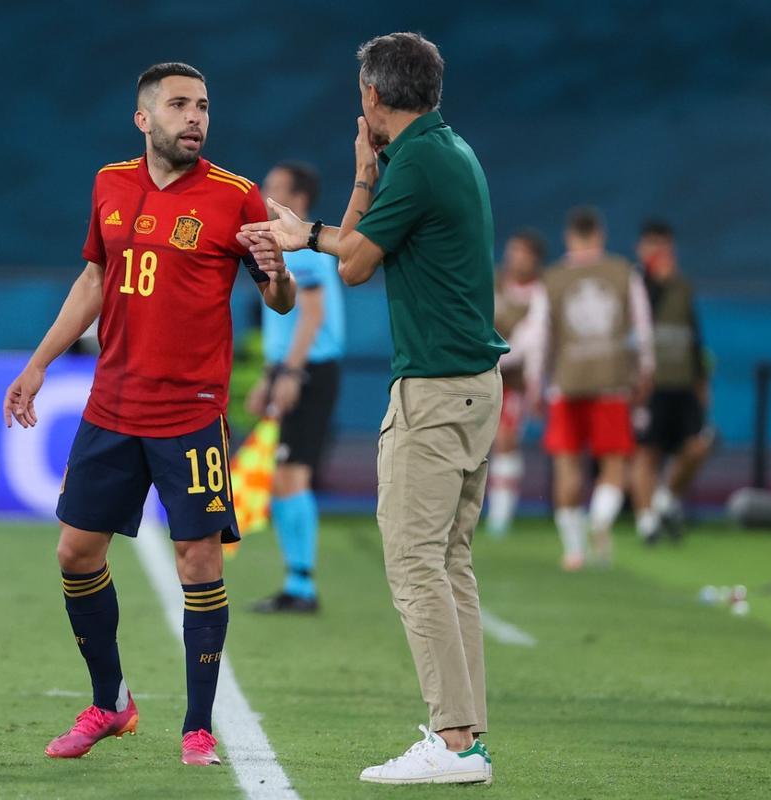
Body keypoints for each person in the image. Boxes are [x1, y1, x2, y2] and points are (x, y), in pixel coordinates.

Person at [3, 62, 295, 768]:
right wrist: (40, 362)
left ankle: (198, 727)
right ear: (144, 118)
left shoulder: (236, 196)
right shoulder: (110, 183)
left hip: (191, 412)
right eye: (178, 105)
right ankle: (111, 702)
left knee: (198, 560)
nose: (194, 117)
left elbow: (278, 300)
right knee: (75, 552)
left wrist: (280, 274)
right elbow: (95, 278)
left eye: (202, 106)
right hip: (112, 406)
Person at [243, 32, 503, 786]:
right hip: (470, 384)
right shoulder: (443, 149)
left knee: (417, 565)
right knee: (449, 565)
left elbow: (349, 261)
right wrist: (362, 175)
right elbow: (361, 264)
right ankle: (466, 738)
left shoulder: (418, 160)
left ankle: (454, 744)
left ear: (373, 96)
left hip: (435, 386)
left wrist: (305, 233)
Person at [521, 206, 654, 571]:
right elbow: (642, 330)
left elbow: (539, 338)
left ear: (569, 237)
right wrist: (645, 372)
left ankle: (573, 551)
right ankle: (599, 521)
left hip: (567, 382)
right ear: (600, 234)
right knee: (613, 465)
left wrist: (535, 386)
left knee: (567, 465)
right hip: (612, 381)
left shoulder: (551, 279)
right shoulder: (624, 273)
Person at [246, 161, 345, 614]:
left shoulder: (302, 250)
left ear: (298, 200)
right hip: (292, 371)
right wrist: (271, 376)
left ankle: (302, 585)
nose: (265, 194)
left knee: (293, 475)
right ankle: (295, 582)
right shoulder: (287, 248)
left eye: (275, 188)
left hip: (309, 372)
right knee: (285, 477)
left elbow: (311, 316)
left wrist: (289, 375)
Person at [630, 220, 713, 543]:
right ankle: (646, 521)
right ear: (641, 248)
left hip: (682, 382)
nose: (658, 253)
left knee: (697, 446)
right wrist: (656, 285)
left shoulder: (683, 285)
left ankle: (665, 500)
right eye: (652, 246)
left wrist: (701, 382)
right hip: (649, 384)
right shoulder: (634, 284)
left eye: (663, 246)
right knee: (647, 452)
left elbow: (694, 336)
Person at [483, 229, 547, 537]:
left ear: (534, 260)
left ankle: (501, 515)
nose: (515, 259)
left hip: (514, 382)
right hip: (478, 375)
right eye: (512, 251)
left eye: (522, 253)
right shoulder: (492, 281)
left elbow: (527, 347)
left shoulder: (541, 295)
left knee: (506, 439)